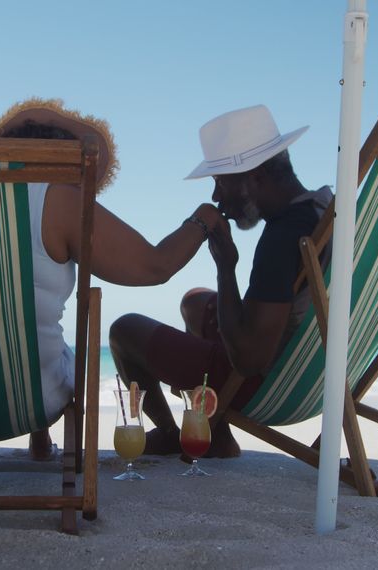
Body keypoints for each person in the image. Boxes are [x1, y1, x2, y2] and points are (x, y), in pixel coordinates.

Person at [0, 98, 226, 460]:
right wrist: (204, 220)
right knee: (42, 339)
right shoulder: (56, 197)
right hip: (24, 400)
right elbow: (155, 267)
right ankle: (38, 435)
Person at [109, 104, 331, 458]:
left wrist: (226, 269)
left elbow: (248, 361)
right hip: (317, 377)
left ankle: (172, 432)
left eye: (220, 181)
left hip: (261, 385)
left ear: (255, 176)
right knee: (194, 301)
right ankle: (218, 433)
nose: (216, 197)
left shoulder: (283, 237)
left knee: (124, 330)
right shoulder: (323, 210)